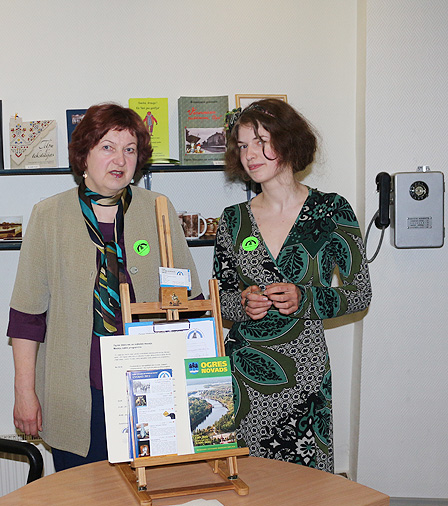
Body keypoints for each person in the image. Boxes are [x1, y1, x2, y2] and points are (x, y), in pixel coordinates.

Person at [7, 103, 202, 471]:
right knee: (85, 498)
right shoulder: (49, 215)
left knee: (150, 495)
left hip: (152, 388)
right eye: (107, 147)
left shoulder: (158, 209)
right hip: (78, 394)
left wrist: (199, 379)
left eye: (130, 149)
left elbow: (190, 301)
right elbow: (27, 317)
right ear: (84, 155)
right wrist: (24, 391)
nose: (120, 159)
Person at [213, 99, 372, 472]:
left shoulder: (331, 211)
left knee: (307, 489)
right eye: (243, 145)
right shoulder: (233, 220)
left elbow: (360, 293)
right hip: (243, 375)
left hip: (305, 374)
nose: (250, 154)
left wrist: (306, 298)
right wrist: (242, 303)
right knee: (245, 482)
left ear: (287, 140)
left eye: (260, 141)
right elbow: (219, 297)